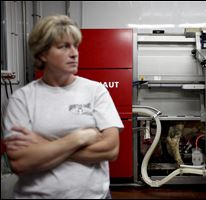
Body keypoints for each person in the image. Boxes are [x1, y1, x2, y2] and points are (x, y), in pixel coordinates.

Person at [3, 15, 123, 199]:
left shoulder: (96, 91)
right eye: (64, 46)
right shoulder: (21, 99)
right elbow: (19, 162)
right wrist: (78, 138)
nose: (74, 53)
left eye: (75, 45)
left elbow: (110, 149)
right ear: (42, 54)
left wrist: (44, 146)